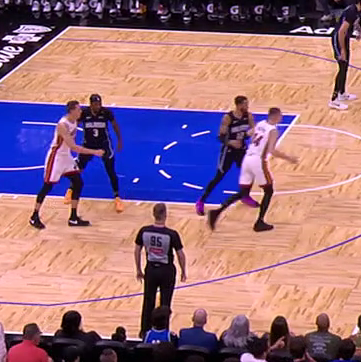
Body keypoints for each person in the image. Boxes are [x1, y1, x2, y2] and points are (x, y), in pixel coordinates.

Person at [207, 107, 298, 232]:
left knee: (243, 192)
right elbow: (272, 150)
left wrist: (233, 139)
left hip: (247, 159)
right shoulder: (273, 130)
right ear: (276, 117)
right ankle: (259, 222)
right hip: (258, 161)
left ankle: (216, 212)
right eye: (280, 116)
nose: (281, 118)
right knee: (268, 190)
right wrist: (289, 158)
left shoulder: (260, 124)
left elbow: (248, 134)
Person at [30, 100, 103, 229]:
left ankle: (73, 218)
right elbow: (73, 147)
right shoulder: (62, 125)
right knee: (47, 186)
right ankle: (34, 216)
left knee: (78, 183)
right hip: (56, 158)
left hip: (66, 157)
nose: (81, 111)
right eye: (78, 109)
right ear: (72, 111)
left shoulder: (74, 121)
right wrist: (94, 152)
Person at [196, 96, 258, 213]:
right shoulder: (228, 118)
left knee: (250, 172)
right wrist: (230, 142)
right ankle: (201, 201)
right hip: (228, 150)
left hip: (241, 150)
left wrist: (253, 135)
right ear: (238, 105)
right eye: (245, 104)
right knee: (219, 176)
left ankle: (245, 196)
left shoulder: (249, 116)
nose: (247, 106)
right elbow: (220, 136)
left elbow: (254, 130)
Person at [134, 203, 188, 337]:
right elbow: (180, 254)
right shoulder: (171, 234)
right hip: (166, 271)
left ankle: (144, 331)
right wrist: (183, 270)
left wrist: (138, 269)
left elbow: (137, 250)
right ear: (165, 215)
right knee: (165, 302)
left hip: (151, 269)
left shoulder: (144, 231)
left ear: (153, 214)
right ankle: (164, 332)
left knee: (148, 301)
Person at [66, 94, 123, 212]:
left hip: (104, 144)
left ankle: (117, 197)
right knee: (78, 169)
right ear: (91, 104)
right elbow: (75, 125)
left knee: (110, 171)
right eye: (96, 104)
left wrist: (119, 140)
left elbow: (115, 125)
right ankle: (71, 189)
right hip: (88, 144)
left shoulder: (106, 112)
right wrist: (71, 138)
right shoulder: (84, 113)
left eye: (99, 104)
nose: (98, 106)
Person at [329, 0, 361, 111]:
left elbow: (356, 23)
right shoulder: (351, 11)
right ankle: (334, 100)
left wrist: (360, 32)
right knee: (342, 68)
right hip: (338, 39)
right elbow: (341, 31)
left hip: (345, 38)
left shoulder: (357, 10)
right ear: (360, 1)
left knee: (345, 67)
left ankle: (342, 93)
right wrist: (342, 50)